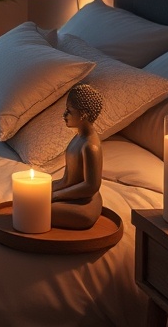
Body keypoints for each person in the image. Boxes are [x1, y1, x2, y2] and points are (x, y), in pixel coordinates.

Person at [50, 83, 104, 230]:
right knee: (29, 195)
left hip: (84, 201)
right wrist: (50, 188)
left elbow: (91, 186)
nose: (64, 115)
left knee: (36, 208)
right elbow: (68, 179)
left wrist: (56, 196)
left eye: (69, 111)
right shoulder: (78, 137)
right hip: (70, 192)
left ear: (83, 115)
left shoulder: (90, 147)